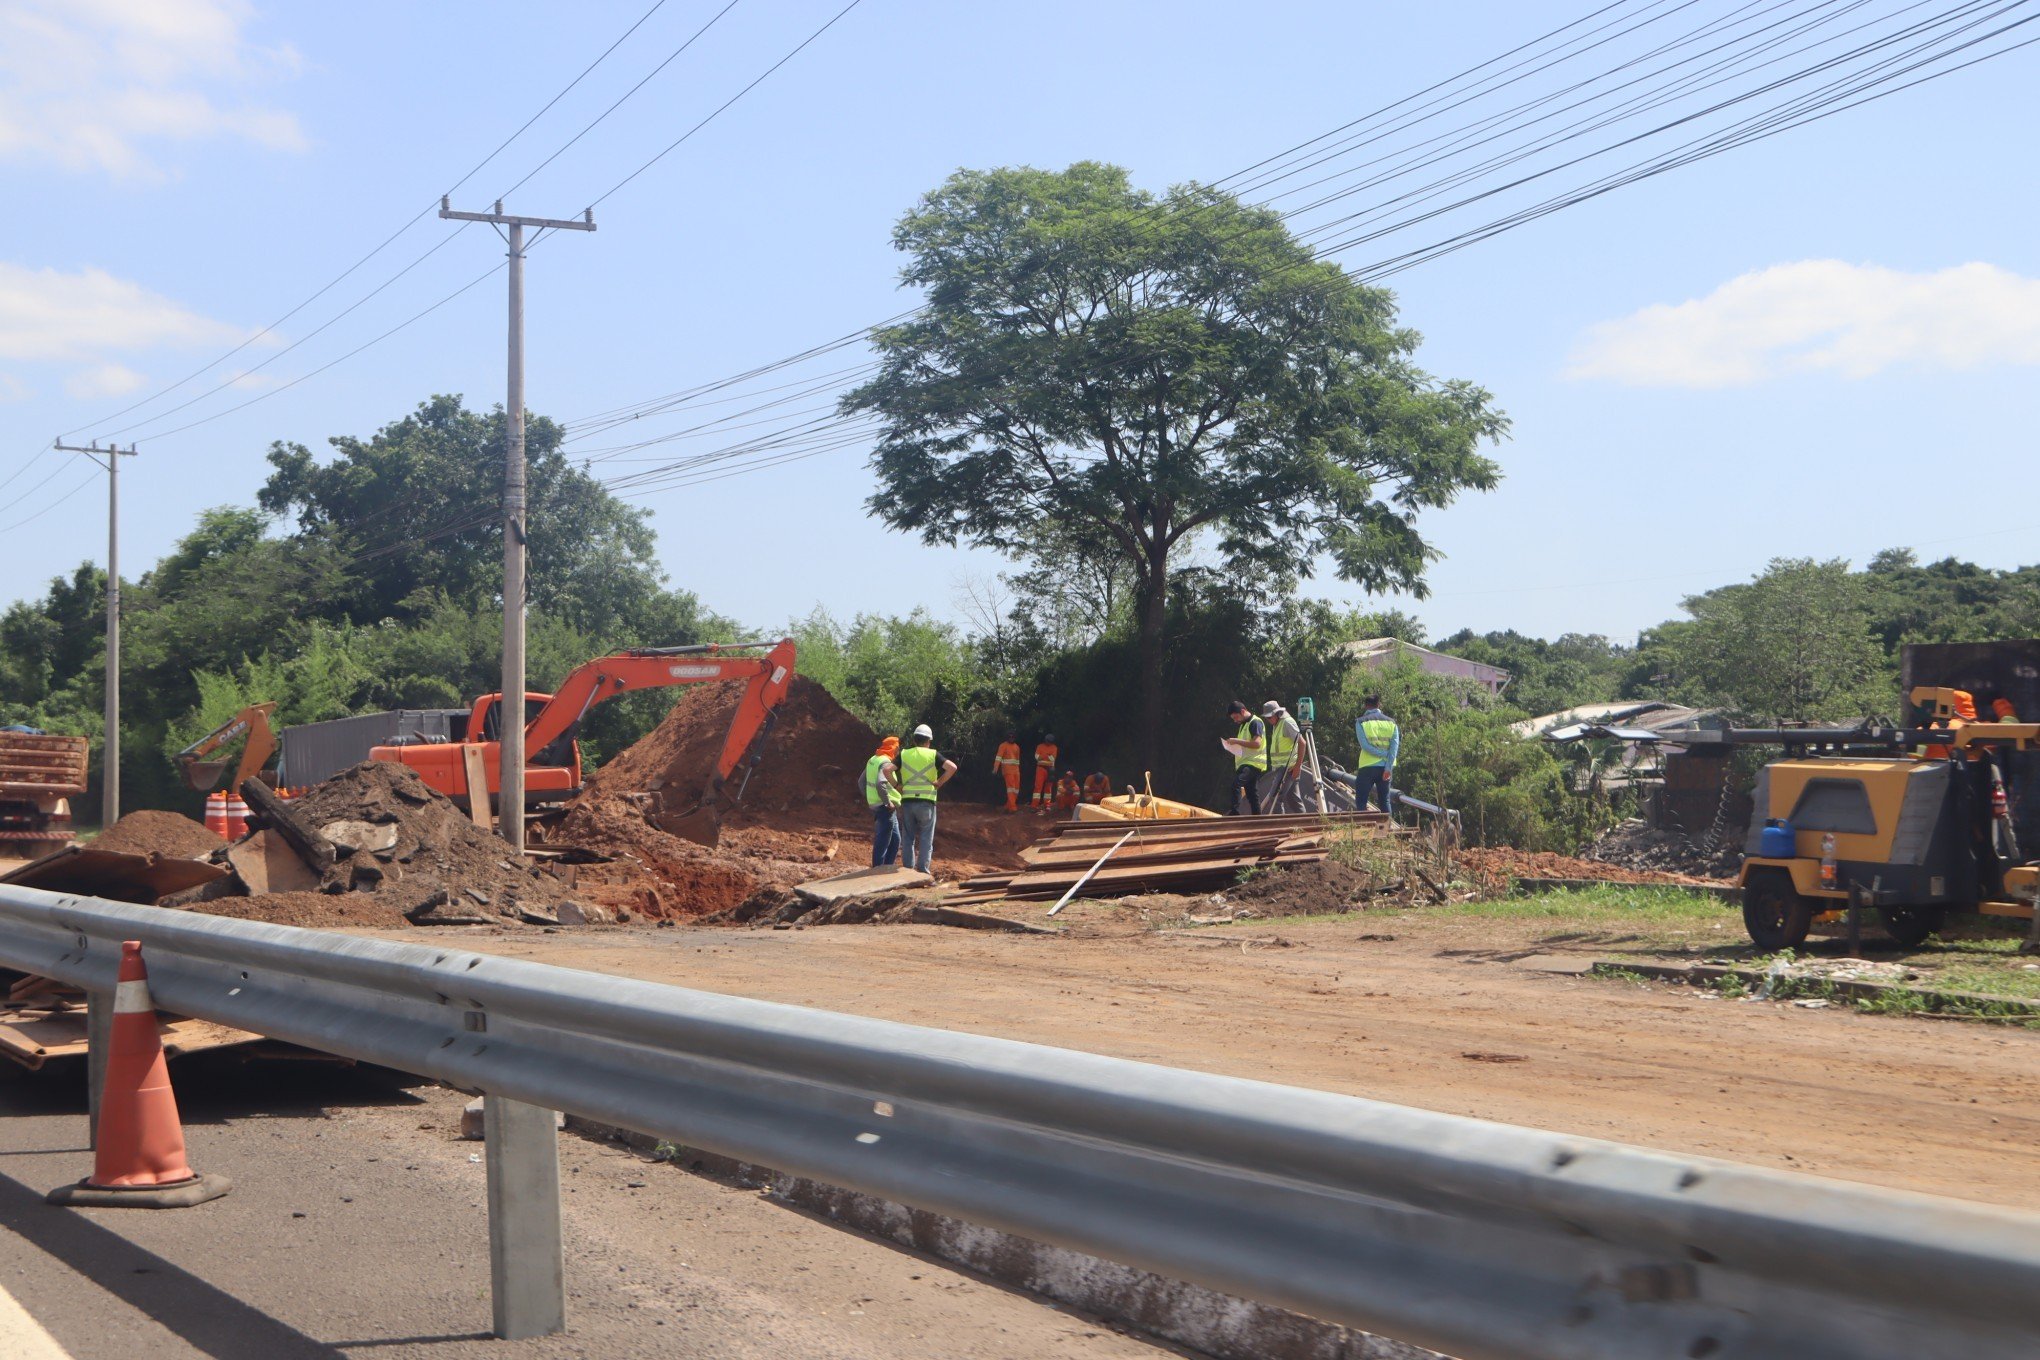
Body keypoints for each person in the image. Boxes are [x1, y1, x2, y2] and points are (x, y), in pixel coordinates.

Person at [892, 723, 957, 875]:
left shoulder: (904, 754)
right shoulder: (933, 755)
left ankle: (908, 871)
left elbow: (887, 769)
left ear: (914, 740)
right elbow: (952, 767)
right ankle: (923, 871)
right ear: (929, 741)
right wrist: (939, 782)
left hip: (907, 802)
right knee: (926, 838)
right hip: (927, 802)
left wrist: (896, 785)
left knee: (907, 837)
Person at [1352, 695, 1399, 814]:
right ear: (1379, 705)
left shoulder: (1360, 722)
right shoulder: (1392, 723)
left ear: (1366, 706)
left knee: (1361, 801)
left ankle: (1363, 830)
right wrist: (1388, 766)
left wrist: (1381, 753)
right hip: (1385, 768)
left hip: (1367, 767)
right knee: (1385, 801)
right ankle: (1388, 831)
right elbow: (1394, 747)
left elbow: (1365, 746)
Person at [1258, 700, 1307, 813]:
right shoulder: (1278, 724)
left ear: (1277, 713)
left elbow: (1302, 743)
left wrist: (1298, 766)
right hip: (1282, 768)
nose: (1268, 720)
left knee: (1274, 798)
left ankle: (1280, 826)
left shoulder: (1287, 723)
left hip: (1287, 769)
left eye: (1270, 717)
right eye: (1267, 718)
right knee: (1293, 800)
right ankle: (1306, 824)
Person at [861, 736, 902, 867]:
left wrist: (870, 798)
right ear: (894, 749)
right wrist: (887, 802)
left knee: (895, 840)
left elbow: (861, 782)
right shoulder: (885, 763)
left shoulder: (873, 759)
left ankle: (887, 869)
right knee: (882, 842)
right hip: (886, 808)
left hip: (881, 807)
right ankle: (877, 871)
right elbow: (880, 784)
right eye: (898, 749)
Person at [1224, 700, 1266, 815]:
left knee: (1236, 784)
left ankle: (1235, 813)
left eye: (1236, 717)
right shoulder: (1244, 725)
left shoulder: (1255, 722)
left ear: (1243, 711)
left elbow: (1257, 743)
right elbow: (1246, 745)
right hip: (1247, 763)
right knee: (1252, 794)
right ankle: (1258, 820)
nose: (1235, 720)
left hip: (1253, 763)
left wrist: (1236, 741)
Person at [992, 731, 1024, 811]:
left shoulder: (1017, 747)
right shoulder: (1003, 746)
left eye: (1012, 737)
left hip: (1016, 771)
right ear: (1007, 737)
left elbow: (1017, 760)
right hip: (1008, 770)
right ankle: (1012, 807)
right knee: (1011, 788)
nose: (1011, 738)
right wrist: (995, 768)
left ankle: (1008, 805)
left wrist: (1018, 770)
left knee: (1016, 789)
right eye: (1010, 737)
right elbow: (998, 757)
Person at [1032, 732, 1060, 809]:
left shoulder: (1054, 747)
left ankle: (1047, 805)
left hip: (1050, 770)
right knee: (1038, 787)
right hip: (1040, 768)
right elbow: (1037, 757)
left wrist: (1043, 755)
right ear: (1045, 740)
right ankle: (1034, 805)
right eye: (1048, 741)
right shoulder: (1039, 746)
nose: (1049, 743)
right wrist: (1047, 755)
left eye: (1050, 742)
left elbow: (1052, 758)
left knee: (1048, 788)